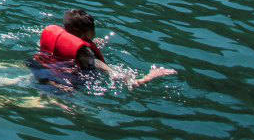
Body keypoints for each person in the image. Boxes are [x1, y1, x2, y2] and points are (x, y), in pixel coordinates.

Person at [32, 8, 174, 89]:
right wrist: (152, 75)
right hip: (64, 87)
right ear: (89, 33)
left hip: (40, 72)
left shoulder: (56, 38)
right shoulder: (87, 56)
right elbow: (131, 83)